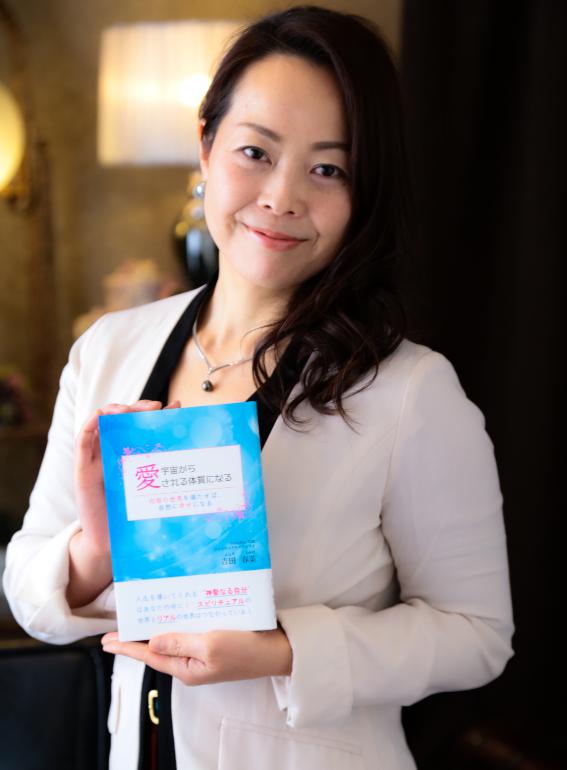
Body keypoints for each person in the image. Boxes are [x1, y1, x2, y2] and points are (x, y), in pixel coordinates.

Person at [2, 6, 514, 770]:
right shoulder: (110, 348)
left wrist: (283, 651)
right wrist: (95, 552)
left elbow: (476, 635)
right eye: (255, 151)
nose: (281, 196)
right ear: (205, 146)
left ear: (364, 191)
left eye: (327, 168)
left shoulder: (409, 391)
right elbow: (29, 591)